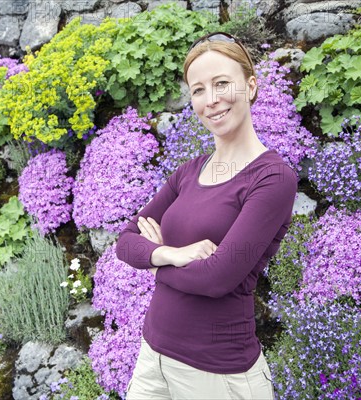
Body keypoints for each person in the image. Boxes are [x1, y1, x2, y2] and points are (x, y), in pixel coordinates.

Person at [115, 32, 299, 400]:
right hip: (153, 359)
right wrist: (170, 254)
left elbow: (218, 277)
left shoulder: (272, 178)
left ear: (250, 86)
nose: (210, 100)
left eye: (221, 84)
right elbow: (125, 241)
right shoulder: (188, 172)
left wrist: (152, 264)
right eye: (198, 90)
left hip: (217, 376)